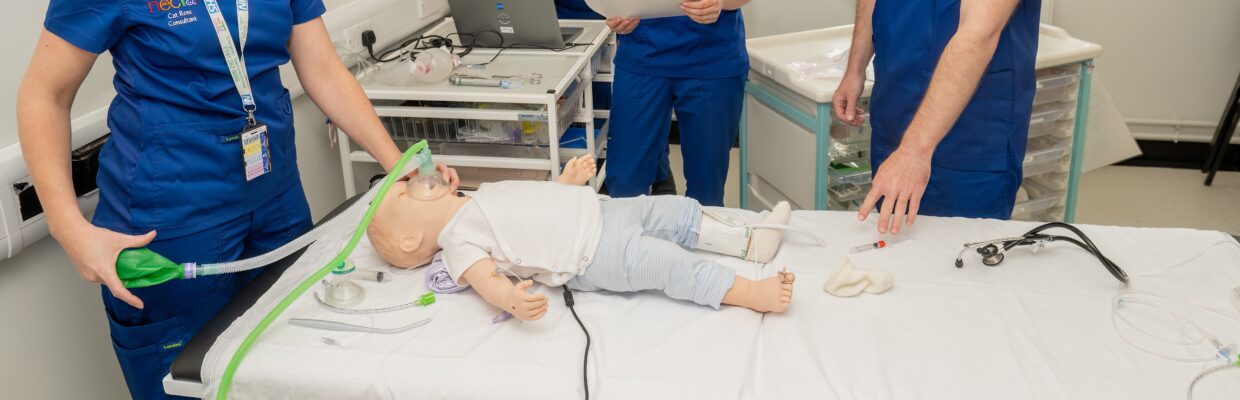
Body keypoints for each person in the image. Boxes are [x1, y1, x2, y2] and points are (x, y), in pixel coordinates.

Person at [16, 0, 455, 398]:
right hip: (171, 217)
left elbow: (321, 66)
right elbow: (44, 94)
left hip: (275, 198)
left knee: (293, 367)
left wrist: (397, 163)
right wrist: (68, 227)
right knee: (188, 383)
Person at [367, 155, 796, 318]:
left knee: (675, 209)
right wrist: (511, 301)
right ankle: (747, 293)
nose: (408, 182)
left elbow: (533, 207)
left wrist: (565, 183)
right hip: (594, 254)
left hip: (602, 209)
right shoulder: (458, 240)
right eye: (402, 192)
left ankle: (747, 243)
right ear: (410, 241)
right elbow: (488, 280)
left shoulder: (477, 196)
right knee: (669, 263)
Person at [833, 0, 1040, 233]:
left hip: (970, 137)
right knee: (894, 245)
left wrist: (913, 151)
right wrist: (855, 69)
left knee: (960, 253)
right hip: (895, 113)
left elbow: (978, 35)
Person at [603, 0, 752, 206]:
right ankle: (627, 236)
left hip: (713, 55)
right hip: (642, 51)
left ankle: (701, 234)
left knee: (707, 189)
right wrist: (616, 13)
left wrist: (722, 2)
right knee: (625, 183)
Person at [553, 0, 679, 195]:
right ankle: (593, 173)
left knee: (621, 109)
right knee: (578, 109)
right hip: (561, 22)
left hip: (614, 21)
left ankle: (658, 174)